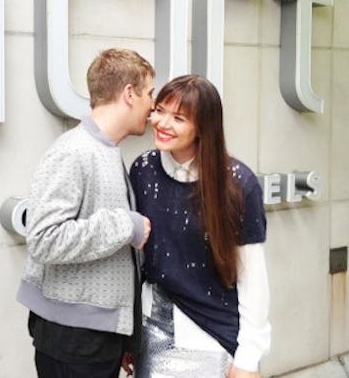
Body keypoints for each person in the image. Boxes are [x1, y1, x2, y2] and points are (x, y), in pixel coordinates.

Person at [16, 48, 156, 378]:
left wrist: (124, 335)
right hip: (74, 341)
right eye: (149, 93)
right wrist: (126, 224)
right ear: (129, 94)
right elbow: (44, 239)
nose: (152, 105)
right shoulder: (74, 151)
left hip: (94, 338)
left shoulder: (104, 150)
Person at [128, 75, 271, 378]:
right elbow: (137, 263)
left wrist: (248, 357)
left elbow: (253, 278)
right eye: (160, 111)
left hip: (212, 336)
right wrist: (130, 334)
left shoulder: (237, 184)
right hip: (153, 329)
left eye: (178, 118)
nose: (163, 123)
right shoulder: (143, 170)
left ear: (203, 127)